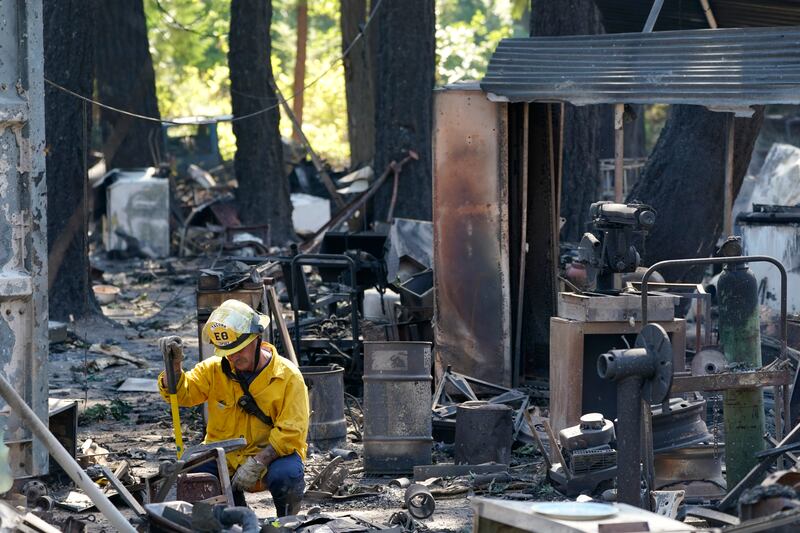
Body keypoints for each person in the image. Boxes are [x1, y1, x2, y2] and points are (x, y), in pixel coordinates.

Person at [157, 299, 309, 516]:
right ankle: (234, 517)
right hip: (225, 458)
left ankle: (286, 522)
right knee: (194, 475)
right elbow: (182, 394)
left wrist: (259, 461)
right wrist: (174, 365)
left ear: (257, 338)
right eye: (227, 351)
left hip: (271, 457)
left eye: (239, 349)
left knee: (286, 476)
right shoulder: (214, 369)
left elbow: (291, 434)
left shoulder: (288, 377)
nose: (234, 357)